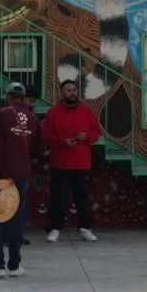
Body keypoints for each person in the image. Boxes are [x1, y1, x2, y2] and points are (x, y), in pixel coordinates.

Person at [0, 82, 40, 279]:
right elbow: (37, 150)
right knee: (15, 220)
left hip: (2, 176)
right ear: (23, 97)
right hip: (22, 175)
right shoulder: (33, 119)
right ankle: (15, 266)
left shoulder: (2, 114)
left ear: (8, 97)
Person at [42, 78, 102, 243]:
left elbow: (96, 133)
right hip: (60, 164)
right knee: (58, 198)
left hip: (81, 164)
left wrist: (86, 136)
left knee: (82, 198)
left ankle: (85, 228)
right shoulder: (53, 112)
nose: (72, 93)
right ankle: (55, 228)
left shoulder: (86, 111)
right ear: (62, 93)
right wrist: (63, 141)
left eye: (74, 90)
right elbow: (46, 136)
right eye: (68, 90)